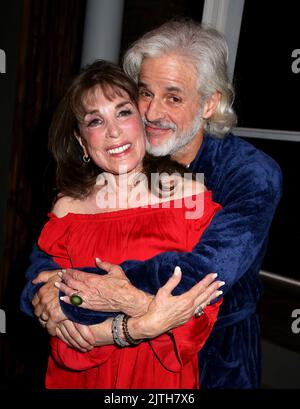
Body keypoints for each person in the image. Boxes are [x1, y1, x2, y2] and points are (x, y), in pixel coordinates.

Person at [21, 20, 282, 389]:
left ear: (209, 103)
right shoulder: (119, 167)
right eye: (144, 93)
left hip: (216, 356)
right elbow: (45, 259)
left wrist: (79, 294)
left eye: (173, 97)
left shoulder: (250, 173)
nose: (152, 113)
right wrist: (43, 291)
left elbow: (202, 272)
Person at [22, 59, 224, 388]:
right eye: (95, 121)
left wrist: (113, 320)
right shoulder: (67, 209)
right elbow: (46, 300)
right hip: (80, 376)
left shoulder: (190, 199)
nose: (113, 131)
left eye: (123, 112)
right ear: (82, 141)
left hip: (156, 378)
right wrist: (61, 302)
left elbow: (205, 313)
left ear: (144, 120)